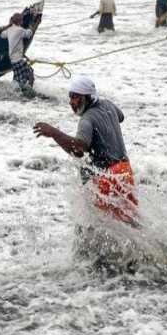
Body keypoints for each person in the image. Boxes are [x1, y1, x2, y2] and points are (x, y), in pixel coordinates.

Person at [32, 76, 137, 226]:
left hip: (109, 179)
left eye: (75, 97)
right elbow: (120, 117)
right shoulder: (108, 104)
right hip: (125, 172)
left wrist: (54, 133)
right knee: (131, 223)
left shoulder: (86, 120)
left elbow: (79, 148)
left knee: (101, 227)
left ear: (87, 97)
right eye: (70, 97)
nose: (71, 102)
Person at [0, 12, 38, 94]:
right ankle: (29, 92)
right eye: (22, 20)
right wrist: (31, 27)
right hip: (17, 59)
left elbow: (2, 35)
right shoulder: (19, 30)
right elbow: (29, 34)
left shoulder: (9, 30)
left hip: (13, 60)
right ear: (19, 22)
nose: (23, 22)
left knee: (18, 79)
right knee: (30, 73)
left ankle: (16, 92)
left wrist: (8, 25)